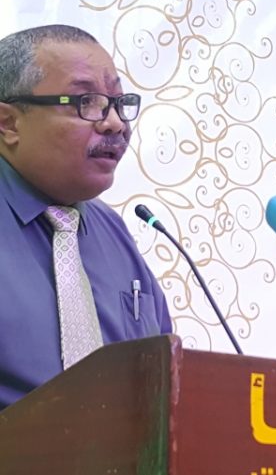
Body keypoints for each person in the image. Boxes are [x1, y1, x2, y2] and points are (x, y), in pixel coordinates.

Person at [0, 24, 172, 411]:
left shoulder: (113, 232)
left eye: (118, 102)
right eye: (86, 101)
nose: (115, 123)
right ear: (9, 123)